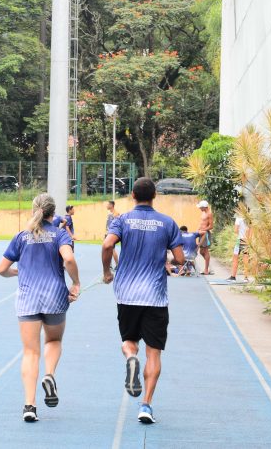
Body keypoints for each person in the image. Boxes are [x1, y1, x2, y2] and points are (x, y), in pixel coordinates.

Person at [102, 177, 184, 424]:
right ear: (154, 196)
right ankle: (146, 405)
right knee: (154, 353)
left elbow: (107, 245)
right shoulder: (168, 223)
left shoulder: (122, 220)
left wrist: (107, 271)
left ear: (133, 196)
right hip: (155, 297)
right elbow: (180, 259)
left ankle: (130, 359)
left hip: (126, 294)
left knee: (128, 341)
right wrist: (167, 258)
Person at [0, 193, 81, 423]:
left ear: (34, 210)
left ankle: (30, 406)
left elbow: (1, 268)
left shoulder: (22, 236)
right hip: (54, 297)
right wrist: (76, 283)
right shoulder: (60, 233)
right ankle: (50, 375)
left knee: (30, 352)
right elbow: (69, 260)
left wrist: (17, 271)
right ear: (53, 212)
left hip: (27, 299)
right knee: (53, 341)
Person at [228, 213, 250, 282]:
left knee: (235, 258)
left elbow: (235, 230)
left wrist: (239, 234)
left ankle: (233, 277)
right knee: (246, 259)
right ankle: (246, 278)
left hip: (240, 240)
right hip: (247, 240)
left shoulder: (238, 218)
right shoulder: (249, 218)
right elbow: (251, 230)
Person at [196, 200, 214, 275]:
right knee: (201, 252)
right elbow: (201, 223)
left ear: (204, 207)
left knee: (205, 251)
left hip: (205, 234)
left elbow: (211, 226)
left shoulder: (209, 213)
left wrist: (203, 230)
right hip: (201, 233)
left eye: (201, 207)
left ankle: (206, 270)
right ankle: (209, 267)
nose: (200, 208)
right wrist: (198, 230)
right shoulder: (203, 213)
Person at [105, 200, 120, 267]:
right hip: (107, 233)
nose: (107, 206)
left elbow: (117, 224)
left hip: (112, 234)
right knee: (107, 249)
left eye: (108, 204)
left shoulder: (116, 213)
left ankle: (117, 264)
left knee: (112, 249)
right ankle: (109, 265)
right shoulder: (109, 213)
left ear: (111, 205)